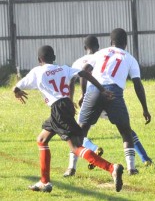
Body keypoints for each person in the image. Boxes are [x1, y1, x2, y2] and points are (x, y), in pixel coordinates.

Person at [13, 45, 124, 192]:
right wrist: (102, 89)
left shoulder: (37, 71)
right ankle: (44, 182)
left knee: (76, 147)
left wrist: (17, 91)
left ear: (39, 59)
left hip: (58, 109)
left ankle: (111, 168)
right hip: (65, 106)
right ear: (54, 58)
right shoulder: (63, 68)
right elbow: (84, 74)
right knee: (42, 139)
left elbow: (17, 87)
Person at [64, 35, 152, 177]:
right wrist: (145, 108)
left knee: (80, 131)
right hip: (114, 92)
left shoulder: (101, 53)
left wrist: (84, 93)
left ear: (111, 42)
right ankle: (131, 168)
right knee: (125, 131)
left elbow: (84, 71)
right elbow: (138, 85)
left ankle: (71, 168)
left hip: (94, 91)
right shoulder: (130, 58)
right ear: (126, 44)